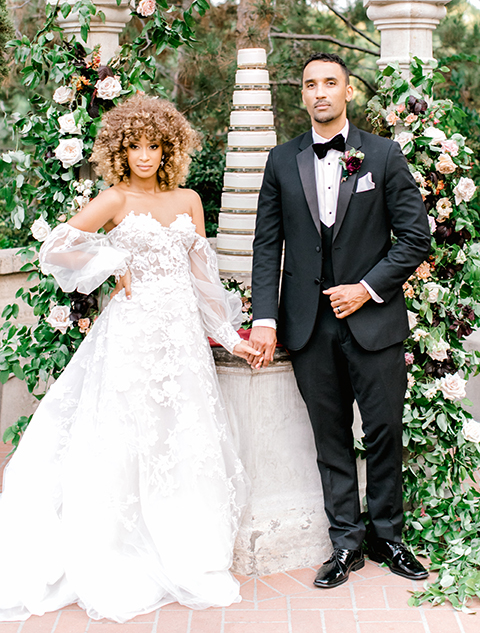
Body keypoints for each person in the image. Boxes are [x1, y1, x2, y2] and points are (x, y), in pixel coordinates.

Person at [0, 95, 262, 623]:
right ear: (121, 150)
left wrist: (233, 340)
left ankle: (183, 549)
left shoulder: (189, 200)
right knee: (125, 440)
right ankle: (115, 551)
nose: (145, 155)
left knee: (178, 440)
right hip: (131, 335)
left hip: (183, 341)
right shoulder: (114, 200)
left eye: (156, 145)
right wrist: (111, 257)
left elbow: (203, 283)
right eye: (136, 145)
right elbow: (54, 249)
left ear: (170, 149)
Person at [248, 52, 431, 588]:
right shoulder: (281, 160)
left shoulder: (383, 154)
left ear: (348, 91)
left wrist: (368, 288)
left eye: (330, 83)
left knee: (383, 434)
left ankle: (390, 538)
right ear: (301, 95)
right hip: (307, 326)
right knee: (330, 439)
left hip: (373, 322)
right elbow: (267, 246)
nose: (320, 92)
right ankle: (346, 543)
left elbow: (415, 238)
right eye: (310, 84)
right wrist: (264, 317)